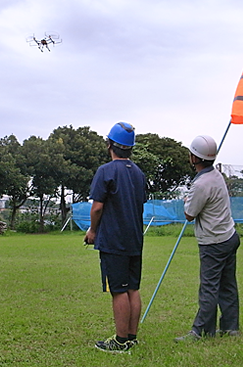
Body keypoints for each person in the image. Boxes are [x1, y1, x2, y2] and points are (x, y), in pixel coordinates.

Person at [84, 122, 147, 353]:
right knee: (133, 288)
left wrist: (92, 231)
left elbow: (97, 207)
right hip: (135, 240)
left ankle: (120, 342)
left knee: (118, 290)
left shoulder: (106, 171)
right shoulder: (139, 173)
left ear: (109, 144)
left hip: (114, 241)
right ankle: (131, 337)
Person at [175, 135, 241, 342]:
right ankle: (230, 328)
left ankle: (202, 331)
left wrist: (187, 200)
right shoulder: (217, 175)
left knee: (209, 287)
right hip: (229, 236)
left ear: (194, 158)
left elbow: (189, 214)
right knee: (228, 284)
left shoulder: (201, 184)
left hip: (213, 242)